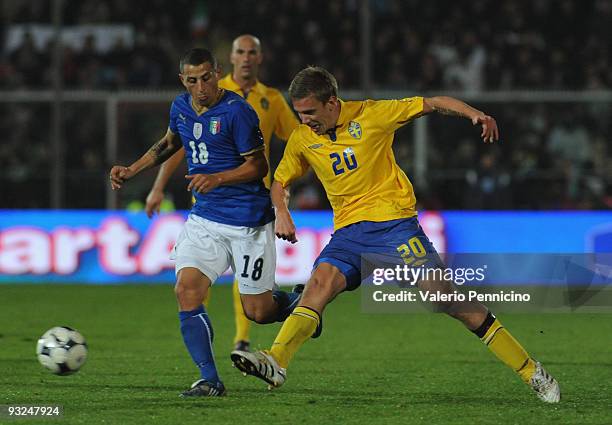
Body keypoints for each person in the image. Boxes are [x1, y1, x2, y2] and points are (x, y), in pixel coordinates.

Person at [230, 66, 561, 403]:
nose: (305, 121)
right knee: (318, 286)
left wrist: (475, 114)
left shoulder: (373, 115)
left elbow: (432, 103)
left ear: (332, 102)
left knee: (444, 297)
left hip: (395, 226)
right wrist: (282, 211)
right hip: (348, 235)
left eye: (310, 112)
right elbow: (280, 182)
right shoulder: (303, 138)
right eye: (300, 114)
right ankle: (276, 361)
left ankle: (531, 370)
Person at [109, 48, 299, 397]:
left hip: (248, 222)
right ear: (183, 80)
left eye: (207, 77)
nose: (201, 87)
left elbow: (257, 166)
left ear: (217, 73)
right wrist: (131, 170)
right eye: (192, 80)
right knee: (187, 290)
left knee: (258, 311)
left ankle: (298, 305)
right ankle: (210, 379)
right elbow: (169, 143)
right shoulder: (180, 106)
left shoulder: (238, 112)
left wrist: (218, 178)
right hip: (205, 219)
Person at [145, 35, 298, 353]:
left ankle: (242, 337)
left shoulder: (270, 99)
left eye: (251, 52)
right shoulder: (205, 89)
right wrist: (158, 187)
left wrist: (285, 185)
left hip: (250, 203)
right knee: (193, 287)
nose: (245, 58)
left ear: (260, 57)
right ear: (228, 59)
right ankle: (212, 362)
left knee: (249, 291)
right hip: (207, 201)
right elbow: (178, 144)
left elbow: (299, 142)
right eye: (240, 52)